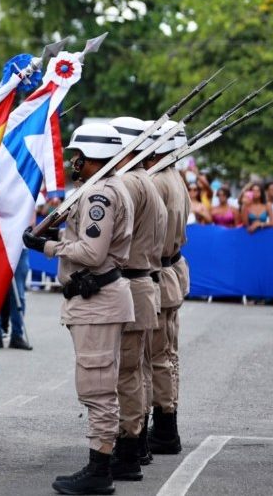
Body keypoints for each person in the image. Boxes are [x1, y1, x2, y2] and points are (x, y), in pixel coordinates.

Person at [24, 122, 134, 495]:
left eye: (77, 156)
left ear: (91, 158)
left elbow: (91, 252)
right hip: (98, 299)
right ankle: (99, 463)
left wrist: (47, 247)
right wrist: (58, 236)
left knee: (97, 388)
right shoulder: (105, 187)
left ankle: (99, 471)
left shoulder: (100, 194)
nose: (73, 162)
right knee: (98, 385)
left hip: (98, 300)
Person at [108, 116, 168, 481]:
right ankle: (137, 441)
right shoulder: (146, 179)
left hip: (130, 283)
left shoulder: (130, 182)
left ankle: (128, 447)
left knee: (126, 373)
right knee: (138, 370)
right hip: (143, 282)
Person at [143, 122, 188, 456]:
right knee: (167, 354)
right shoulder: (174, 177)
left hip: (158, 271)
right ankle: (166, 422)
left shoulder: (156, 180)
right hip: (171, 268)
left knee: (155, 357)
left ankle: (163, 429)